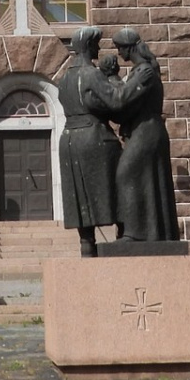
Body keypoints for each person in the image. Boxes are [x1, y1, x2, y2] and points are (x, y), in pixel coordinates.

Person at [99, 26, 181, 242]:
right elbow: (126, 108)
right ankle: (148, 234)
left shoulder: (144, 72)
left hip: (147, 131)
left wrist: (112, 79)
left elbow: (124, 102)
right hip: (141, 130)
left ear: (129, 47)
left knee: (125, 175)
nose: (119, 53)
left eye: (119, 48)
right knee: (145, 181)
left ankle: (134, 234)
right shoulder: (139, 72)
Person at [54, 25, 120, 256]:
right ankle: (125, 233)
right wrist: (116, 79)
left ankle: (87, 244)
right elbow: (115, 102)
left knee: (79, 194)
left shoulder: (64, 79)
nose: (98, 48)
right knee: (119, 184)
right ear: (88, 46)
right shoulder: (92, 74)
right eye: (96, 44)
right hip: (94, 138)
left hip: (69, 139)